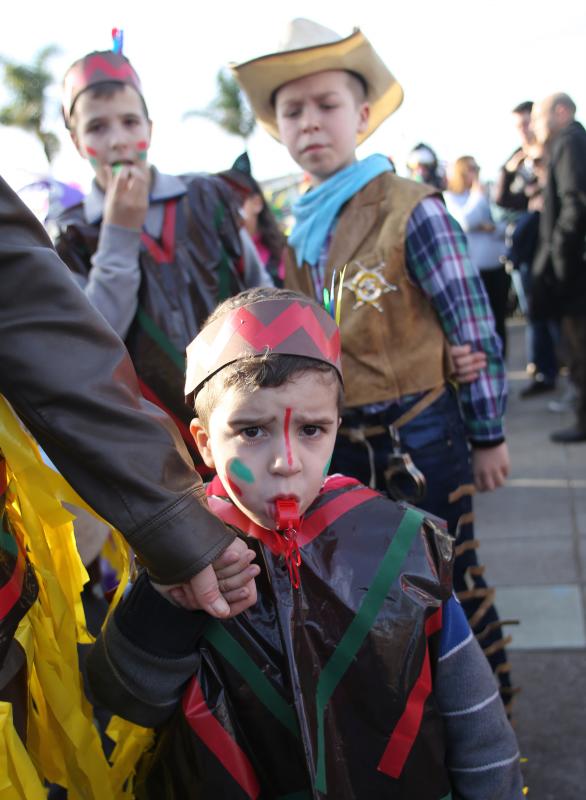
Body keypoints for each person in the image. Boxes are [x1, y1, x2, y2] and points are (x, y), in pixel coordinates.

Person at [87, 288, 522, 799]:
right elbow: (126, 699)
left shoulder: (401, 546)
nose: (285, 461)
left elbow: (476, 719)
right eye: (252, 431)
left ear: (338, 427)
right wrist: (166, 605)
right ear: (204, 441)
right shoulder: (181, 548)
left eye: (312, 429)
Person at [232, 19, 515, 708]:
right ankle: (403, 723)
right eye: (292, 111)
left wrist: (488, 434)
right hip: (338, 443)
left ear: (361, 115)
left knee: (452, 577)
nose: (310, 123)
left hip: (423, 438)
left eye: (326, 105)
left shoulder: (409, 208)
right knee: (362, 581)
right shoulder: (298, 227)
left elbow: (470, 320)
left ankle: (489, 718)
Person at [0, 175, 258, 792]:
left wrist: (175, 521)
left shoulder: (205, 203)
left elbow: (41, 321)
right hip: (129, 469)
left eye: (312, 429)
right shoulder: (80, 229)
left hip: (148, 470)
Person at [53, 45, 272, 474]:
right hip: (156, 447)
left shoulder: (208, 198)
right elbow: (96, 337)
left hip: (250, 420)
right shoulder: (73, 236)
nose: (117, 140)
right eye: (97, 127)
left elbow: (259, 293)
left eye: (129, 122)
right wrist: (118, 232)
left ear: (149, 130)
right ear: (78, 142)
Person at [495, 101, 561, 398]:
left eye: (526, 123)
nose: (523, 130)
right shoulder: (516, 160)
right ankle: (543, 370)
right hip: (526, 247)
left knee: (558, 314)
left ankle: (564, 368)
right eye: (518, 125)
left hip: (551, 243)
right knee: (534, 311)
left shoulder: (553, 150)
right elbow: (502, 198)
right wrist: (525, 190)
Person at [531, 92, 586, 443]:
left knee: (578, 349)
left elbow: (574, 203)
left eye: (540, 116)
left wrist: (557, 261)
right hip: (572, 268)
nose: (537, 124)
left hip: (574, 273)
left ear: (561, 112)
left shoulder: (569, 141)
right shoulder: (570, 142)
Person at [444, 156, 509, 357]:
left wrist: (489, 226)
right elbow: (464, 221)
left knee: (499, 318)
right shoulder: (451, 197)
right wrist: (477, 197)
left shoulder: (484, 195)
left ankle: (501, 361)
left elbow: (503, 224)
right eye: (471, 169)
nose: (476, 173)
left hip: (496, 265)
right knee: (480, 320)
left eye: (477, 168)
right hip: (473, 269)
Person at [218, 152, 287, 286]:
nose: (229, 212)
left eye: (235, 201)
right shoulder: (219, 263)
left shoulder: (288, 252)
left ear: (256, 203)